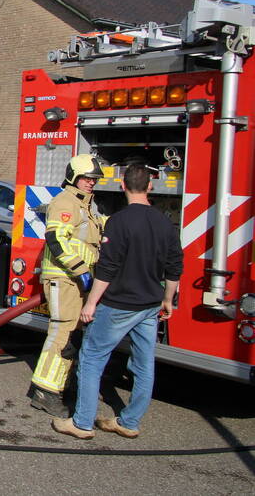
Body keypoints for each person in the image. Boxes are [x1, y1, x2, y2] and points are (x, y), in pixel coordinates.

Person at [53, 164, 182, 439]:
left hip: (118, 305)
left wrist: (91, 304)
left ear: (123, 186)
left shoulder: (118, 222)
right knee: (144, 365)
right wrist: (168, 300)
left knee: (91, 359)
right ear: (150, 187)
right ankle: (129, 422)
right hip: (149, 306)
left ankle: (82, 423)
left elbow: (108, 269)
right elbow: (174, 268)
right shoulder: (164, 224)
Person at [30, 153, 105, 417]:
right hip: (64, 279)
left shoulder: (85, 206)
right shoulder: (66, 202)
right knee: (62, 333)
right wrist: (81, 271)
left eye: (94, 179)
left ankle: (62, 383)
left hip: (74, 281)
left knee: (72, 334)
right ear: (73, 176)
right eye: (86, 178)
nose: (91, 183)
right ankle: (45, 391)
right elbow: (56, 239)